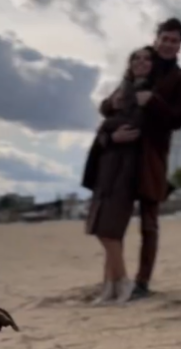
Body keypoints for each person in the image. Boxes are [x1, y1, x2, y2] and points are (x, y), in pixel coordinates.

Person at [100, 17, 181, 301]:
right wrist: (114, 105)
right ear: (157, 38)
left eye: (175, 40)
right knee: (114, 222)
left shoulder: (179, 78)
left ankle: (142, 283)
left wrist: (153, 101)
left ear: (179, 45)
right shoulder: (141, 60)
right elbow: (106, 105)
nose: (169, 45)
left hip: (152, 159)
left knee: (149, 223)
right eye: (165, 39)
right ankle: (112, 280)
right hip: (122, 158)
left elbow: (177, 120)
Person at [82, 47, 156, 304]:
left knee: (109, 231)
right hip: (107, 167)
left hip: (127, 169)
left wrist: (109, 125)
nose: (141, 62)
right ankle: (109, 287)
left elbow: (135, 125)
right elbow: (106, 124)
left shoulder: (150, 92)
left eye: (147, 59)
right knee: (106, 228)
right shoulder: (122, 90)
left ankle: (122, 282)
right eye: (136, 57)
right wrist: (109, 132)